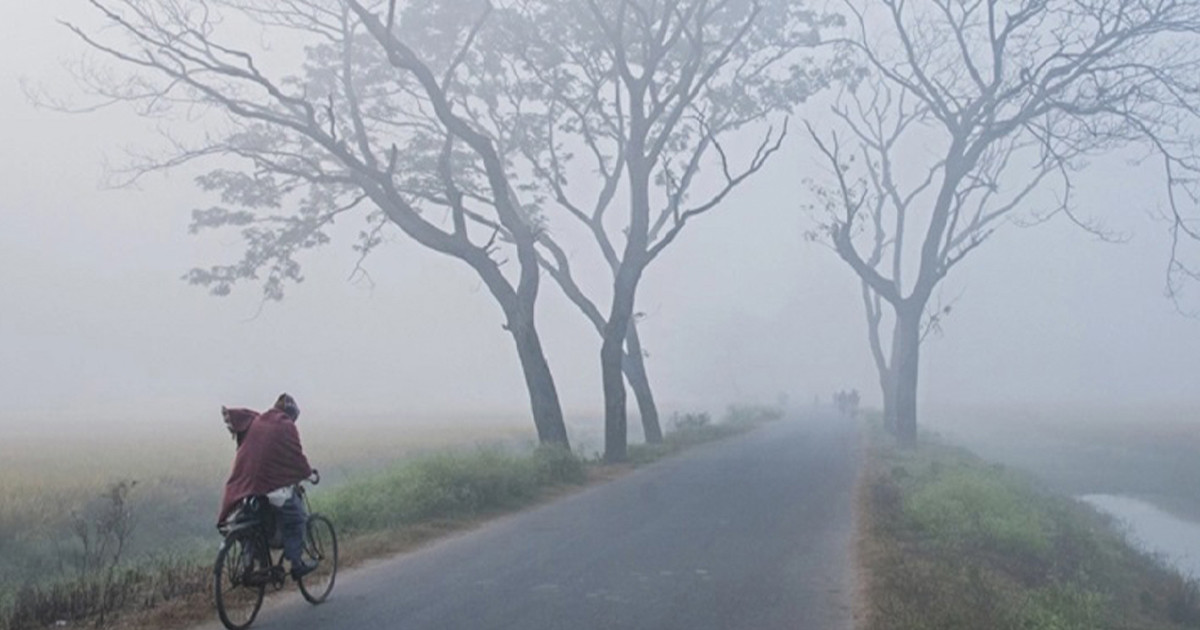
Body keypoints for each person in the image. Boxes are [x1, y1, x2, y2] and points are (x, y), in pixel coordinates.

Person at [217, 393, 318, 579]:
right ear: (291, 414)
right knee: (297, 518)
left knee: (252, 521)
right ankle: (296, 564)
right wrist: (308, 473)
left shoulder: (258, 421)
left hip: (247, 485)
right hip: (270, 485)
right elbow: (296, 456)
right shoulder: (286, 426)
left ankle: (250, 560)